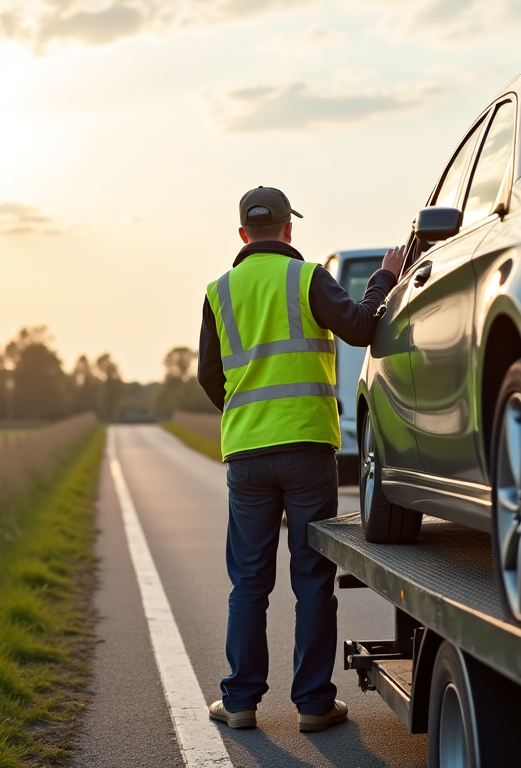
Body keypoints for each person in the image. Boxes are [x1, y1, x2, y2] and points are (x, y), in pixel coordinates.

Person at [199, 186, 402, 733]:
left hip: (246, 455)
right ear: (289, 229)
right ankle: (313, 704)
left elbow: (207, 376)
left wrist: (244, 415)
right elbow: (361, 326)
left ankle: (239, 701)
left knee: (248, 583)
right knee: (311, 579)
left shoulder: (219, 292)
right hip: (308, 450)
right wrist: (385, 277)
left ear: (243, 234)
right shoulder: (307, 277)